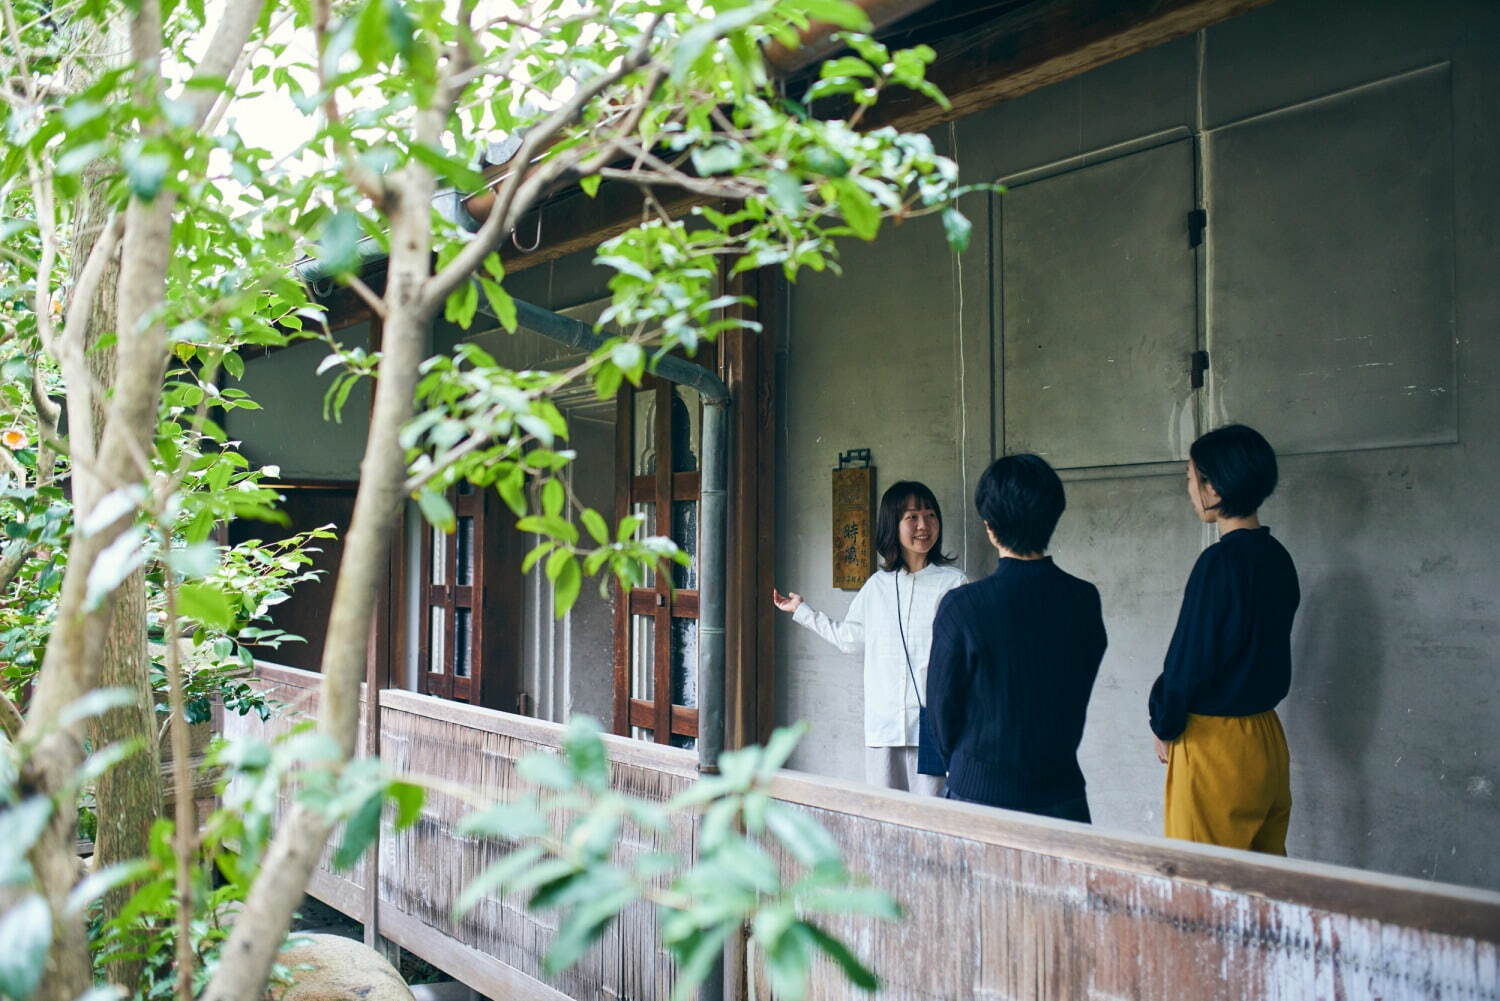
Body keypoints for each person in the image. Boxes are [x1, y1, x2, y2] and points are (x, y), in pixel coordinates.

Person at [925, 454, 1106, 822]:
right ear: (1053, 517)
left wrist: (962, 765)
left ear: (989, 527)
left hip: (978, 795)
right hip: (1062, 793)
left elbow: (941, 712)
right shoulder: (1083, 599)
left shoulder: (963, 606)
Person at [1149, 423, 1299, 854]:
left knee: (1202, 890)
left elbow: (1188, 660)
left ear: (1213, 489)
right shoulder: (1277, 557)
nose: (1190, 490)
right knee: (1264, 882)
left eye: (1191, 478)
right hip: (1267, 737)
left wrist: (1164, 722)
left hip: (1216, 745)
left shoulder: (1218, 563)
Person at [772, 481, 966, 796]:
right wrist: (803, 611)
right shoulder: (877, 586)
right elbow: (851, 639)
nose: (924, 526)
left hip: (933, 729)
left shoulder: (953, 584)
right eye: (912, 517)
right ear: (893, 524)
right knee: (886, 817)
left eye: (931, 515)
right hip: (884, 726)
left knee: (933, 820)